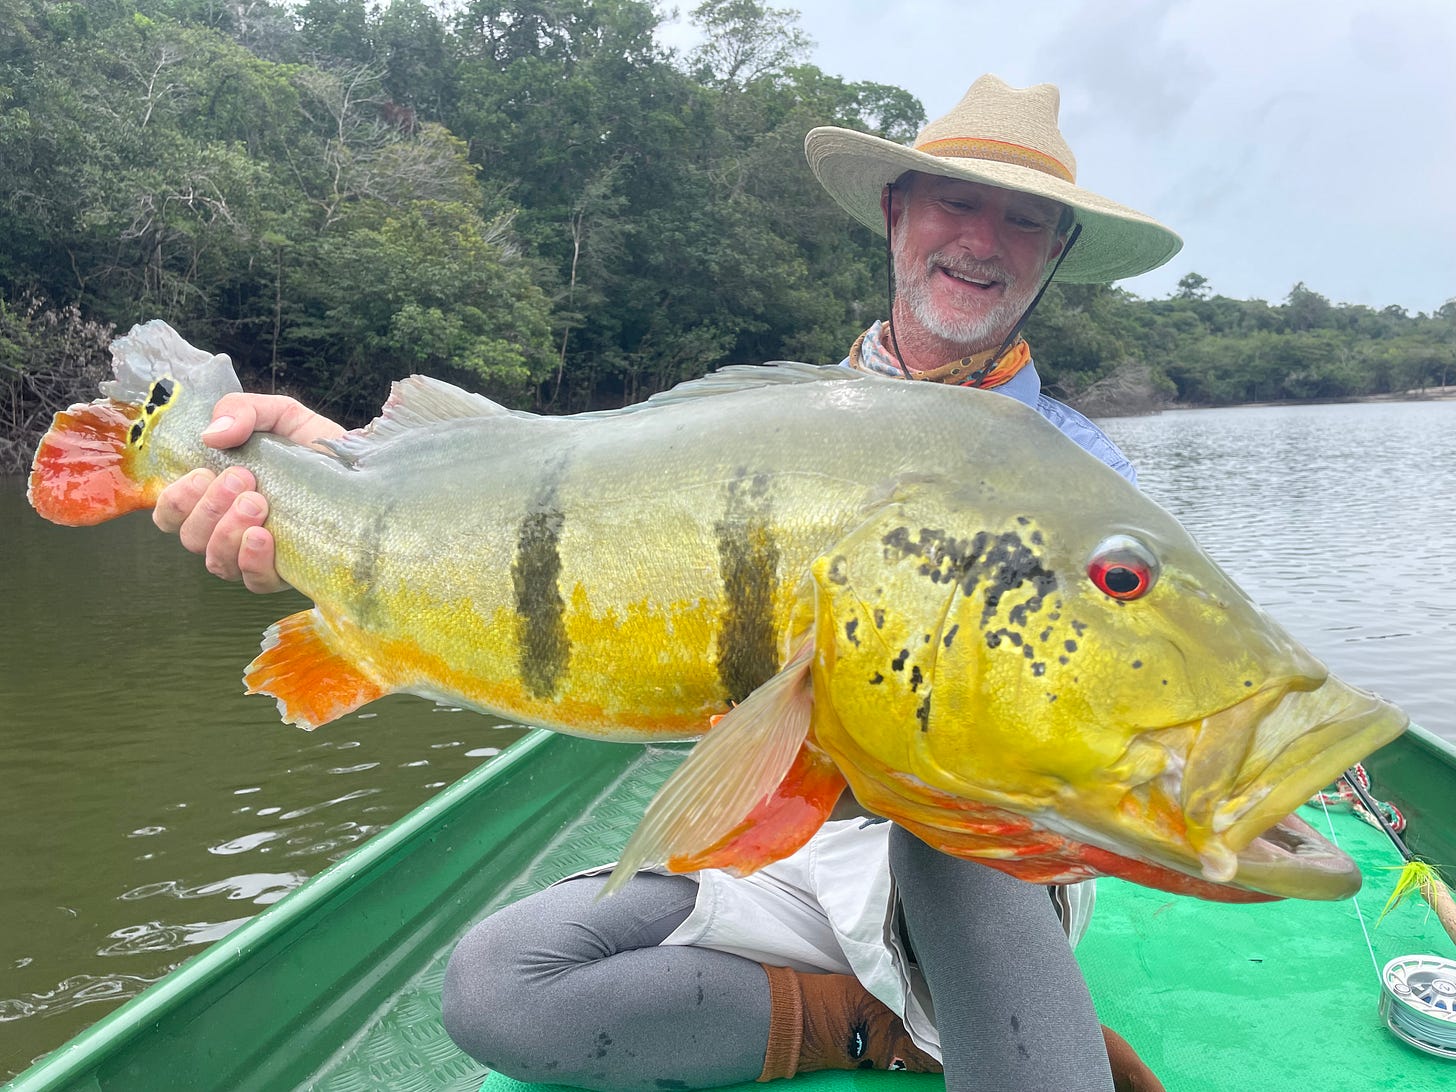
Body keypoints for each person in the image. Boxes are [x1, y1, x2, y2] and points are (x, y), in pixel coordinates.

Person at [154, 76, 1179, 1092]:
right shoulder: (763, 427)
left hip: (973, 857)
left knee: (953, 834)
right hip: (790, 841)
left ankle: (965, 1002)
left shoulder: (1086, 494)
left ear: (1055, 253)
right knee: (497, 986)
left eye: (1023, 220)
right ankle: (867, 1022)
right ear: (896, 212)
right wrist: (328, 473)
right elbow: (558, 519)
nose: (982, 239)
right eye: (956, 200)